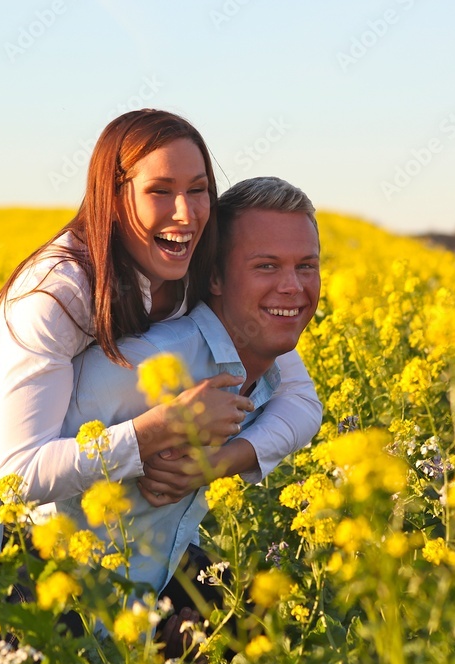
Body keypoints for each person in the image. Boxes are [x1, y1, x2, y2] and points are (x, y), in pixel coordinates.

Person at [0, 110, 321, 619]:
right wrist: (160, 429)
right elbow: (7, 464)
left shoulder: (192, 269)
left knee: (241, 620)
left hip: (70, 524)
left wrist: (217, 463)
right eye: (160, 191)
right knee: (53, 632)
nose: (185, 212)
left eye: (198, 190)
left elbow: (298, 395)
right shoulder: (57, 295)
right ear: (114, 195)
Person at [52, 176, 320, 628]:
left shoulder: (263, 366)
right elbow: (10, 468)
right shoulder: (142, 366)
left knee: (257, 622)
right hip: (60, 592)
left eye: (307, 266)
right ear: (213, 276)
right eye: (267, 266)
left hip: (140, 591)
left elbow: (306, 406)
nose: (293, 286)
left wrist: (214, 464)